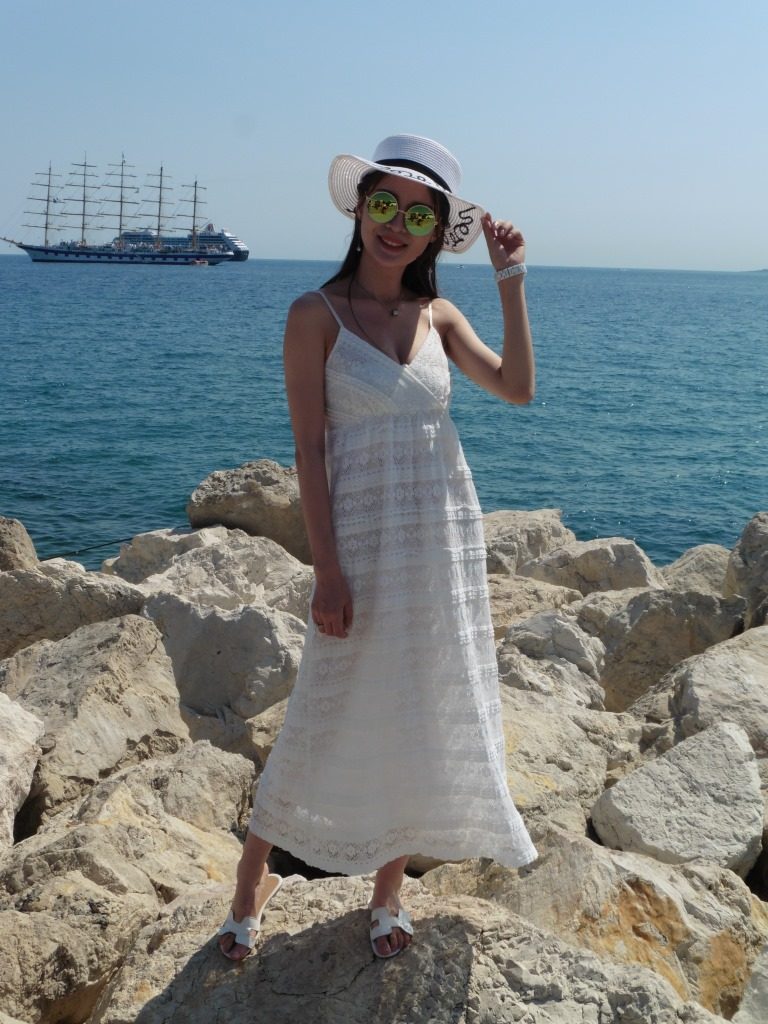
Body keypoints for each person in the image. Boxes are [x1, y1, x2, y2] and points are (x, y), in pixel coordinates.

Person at [218, 134, 538, 962]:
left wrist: (511, 280)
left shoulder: (440, 316)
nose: (397, 224)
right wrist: (326, 571)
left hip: (439, 545)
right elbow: (308, 451)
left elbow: (516, 388)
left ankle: (388, 892)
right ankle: (251, 880)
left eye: (419, 214)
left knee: (417, 703)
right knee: (321, 709)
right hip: (359, 550)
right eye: (385, 204)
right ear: (360, 210)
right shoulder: (313, 315)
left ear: (436, 232)